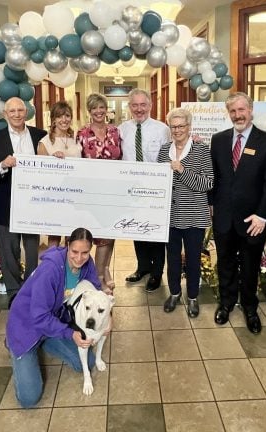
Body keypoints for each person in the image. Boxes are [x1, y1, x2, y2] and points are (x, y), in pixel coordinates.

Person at [209, 92, 266, 333]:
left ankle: (250, 307)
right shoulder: (218, 140)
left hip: (254, 220)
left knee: (251, 265)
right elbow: (214, 177)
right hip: (223, 217)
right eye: (232, 111)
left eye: (242, 110)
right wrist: (212, 204)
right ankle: (226, 303)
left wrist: (263, 216)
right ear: (228, 113)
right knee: (226, 264)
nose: (237, 115)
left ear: (251, 110)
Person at [6, 227, 103, 408]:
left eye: (85, 252)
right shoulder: (50, 269)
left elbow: (96, 292)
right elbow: (39, 316)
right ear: (67, 245)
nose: (79, 258)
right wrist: (69, 333)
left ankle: (46, 340)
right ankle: (13, 344)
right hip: (28, 326)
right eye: (74, 251)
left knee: (88, 362)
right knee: (29, 399)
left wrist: (108, 317)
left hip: (53, 321)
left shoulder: (87, 263)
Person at [0, 97, 46, 299]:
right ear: (5, 114)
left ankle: (31, 289)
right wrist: (3, 164)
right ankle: (13, 292)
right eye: (12, 111)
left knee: (31, 248)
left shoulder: (40, 135)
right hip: (6, 203)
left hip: (33, 204)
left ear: (26, 112)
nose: (17, 114)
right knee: (8, 250)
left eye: (20, 110)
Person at [158, 108, 214, 318]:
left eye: (181, 126)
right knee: (171, 258)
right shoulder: (164, 150)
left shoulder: (201, 149)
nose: (177, 130)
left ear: (189, 127)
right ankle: (173, 293)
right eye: (173, 126)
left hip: (194, 215)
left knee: (192, 259)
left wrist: (181, 170)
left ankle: (192, 297)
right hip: (169, 216)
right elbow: (159, 182)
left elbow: (208, 183)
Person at [118, 89, 171, 291]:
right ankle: (142, 268)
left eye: (143, 105)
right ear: (129, 107)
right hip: (131, 189)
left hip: (156, 190)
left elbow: (172, 154)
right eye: (135, 105)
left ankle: (156, 273)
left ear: (150, 106)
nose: (139, 109)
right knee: (137, 229)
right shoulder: (122, 129)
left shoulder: (163, 130)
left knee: (155, 233)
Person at [77, 93, 122, 290]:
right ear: (89, 111)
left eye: (101, 107)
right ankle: (95, 276)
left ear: (107, 109)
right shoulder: (82, 133)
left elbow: (122, 158)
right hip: (90, 191)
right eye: (94, 108)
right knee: (94, 234)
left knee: (109, 234)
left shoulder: (115, 131)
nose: (98, 111)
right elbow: (75, 161)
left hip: (113, 190)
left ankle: (103, 270)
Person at [38, 101, 81, 248]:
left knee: (73, 236)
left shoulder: (76, 138)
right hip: (54, 197)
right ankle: (53, 269)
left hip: (75, 195)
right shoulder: (44, 142)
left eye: (67, 116)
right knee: (54, 236)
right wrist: (52, 160)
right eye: (60, 116)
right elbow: (41, 174)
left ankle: (71, 269)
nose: (64, 120)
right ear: (53, 119)